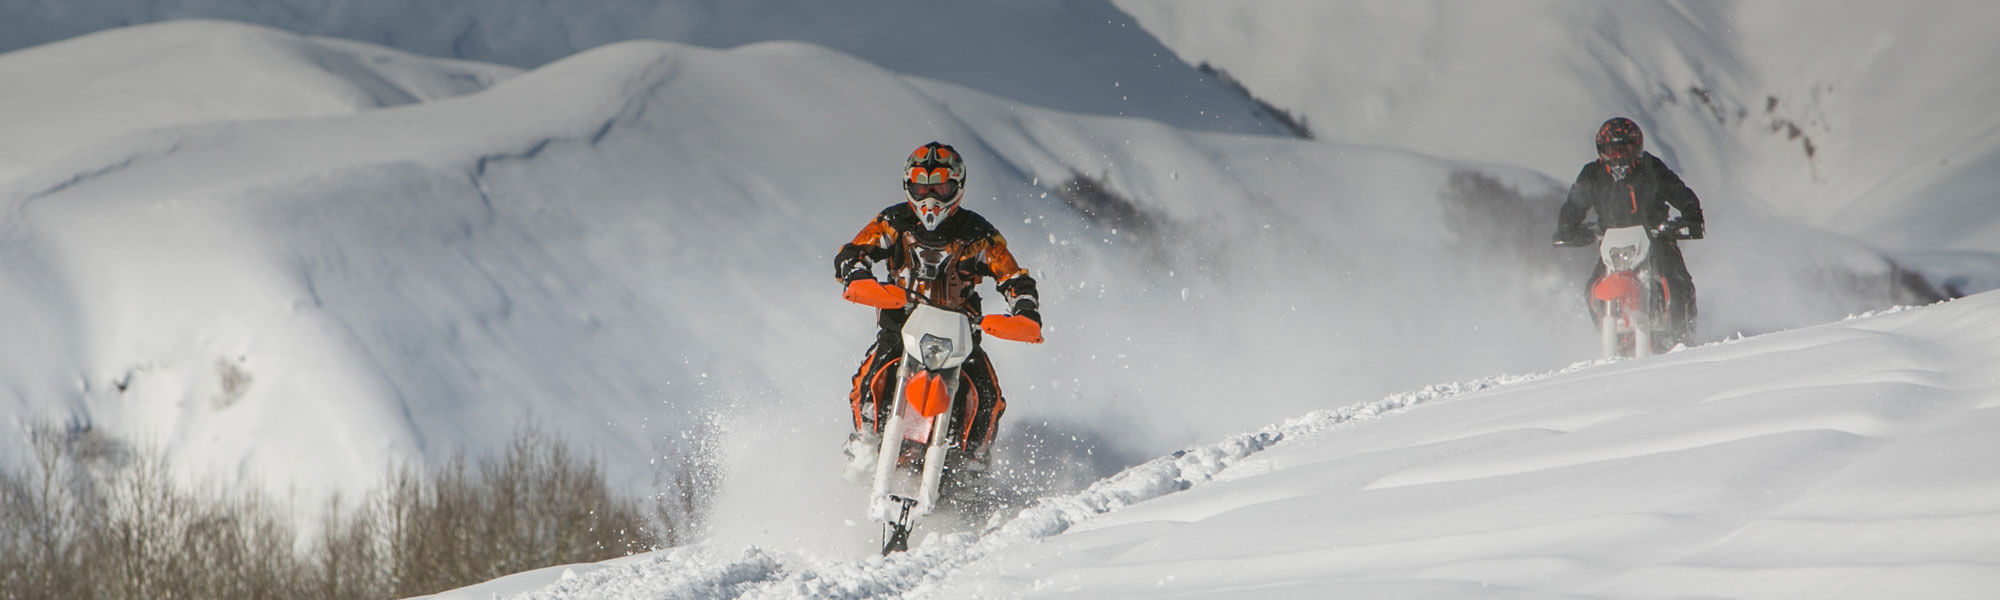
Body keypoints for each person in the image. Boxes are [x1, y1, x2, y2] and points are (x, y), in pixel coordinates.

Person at [835, 141, 1042, 469]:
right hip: (900, 326)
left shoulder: (979, 234)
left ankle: (973, 462)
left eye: (941, 187)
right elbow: (853, 251)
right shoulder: (893, 222)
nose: (930, 198)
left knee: (989, 397)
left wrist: (1025, 311)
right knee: (866, 381)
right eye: (921, 186)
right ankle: (864, 441)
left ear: (957, 187)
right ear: (908, 186)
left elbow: (1013, 277)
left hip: (961, 332)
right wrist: (857, 275)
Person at [1554, 117, 1705, 346]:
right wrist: (1567, 227)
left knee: (1678, 282)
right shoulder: (1592, 174)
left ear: (1637, 148)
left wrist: (1690, 213)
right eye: (1611, 151)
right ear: (1601, 151)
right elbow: (1574, 205)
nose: (1617, 157)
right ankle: (1610, 331)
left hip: (1656, 240)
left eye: (1623, 149)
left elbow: (1679, 191)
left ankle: (1682, 337)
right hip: (1613, 246)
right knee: (1591, 289)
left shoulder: (1652, 168)